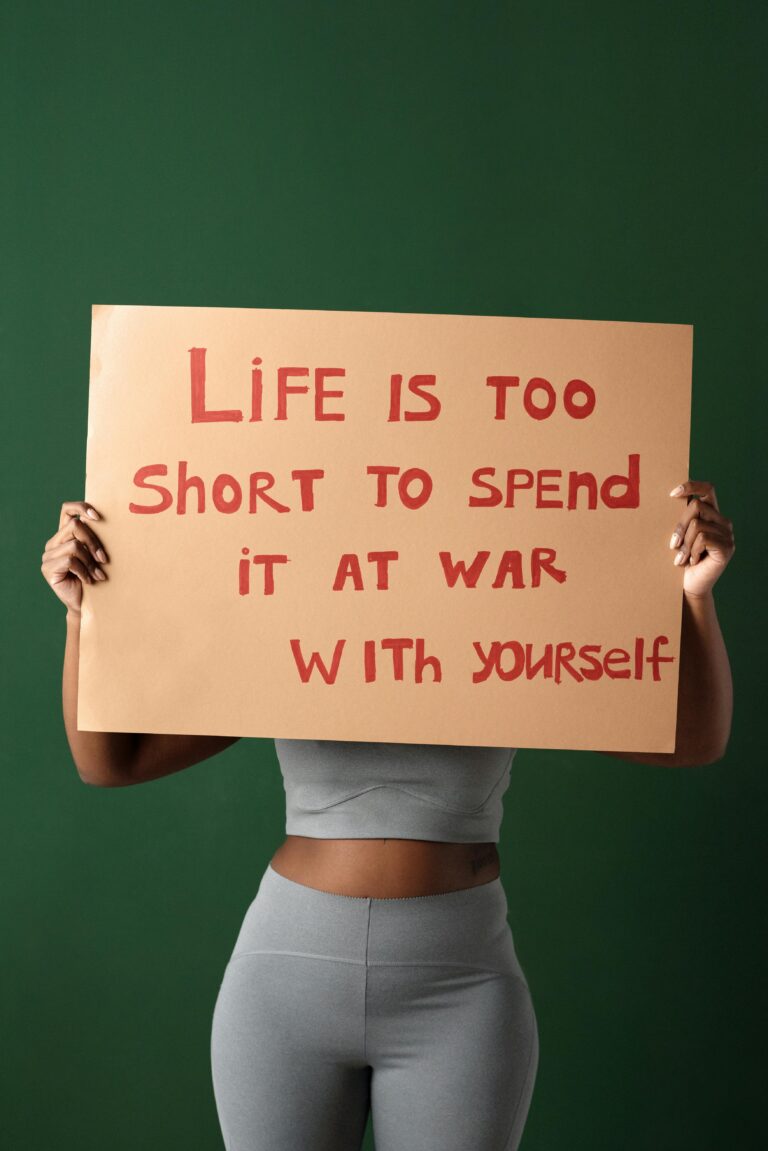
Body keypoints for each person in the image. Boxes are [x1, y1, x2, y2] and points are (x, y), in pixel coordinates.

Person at [41, 479, 734, 1151]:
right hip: (284, 984)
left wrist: (694, 600)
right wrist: (82, 613)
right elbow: (111, 761)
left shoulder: (518, 606)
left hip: (460, 991)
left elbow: (694, 739)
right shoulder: (286, 602)